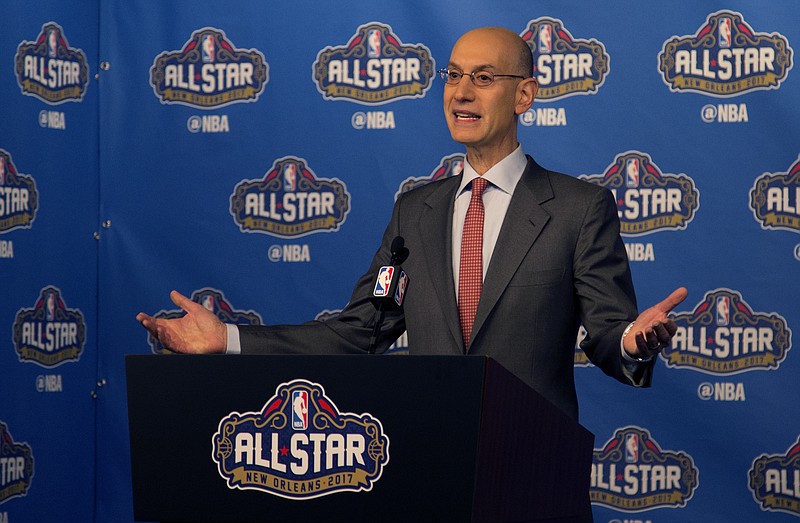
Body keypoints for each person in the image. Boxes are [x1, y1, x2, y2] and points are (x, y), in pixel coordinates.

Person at [137, 27, 687, 420]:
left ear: (524, 94)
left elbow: (612, 335)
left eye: (483, 77)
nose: (461, 91)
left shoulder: (578, 208)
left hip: (531, 472)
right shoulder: (414, 212)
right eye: (452, 76)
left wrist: (634, 343)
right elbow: (359, 332)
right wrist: (228, 339)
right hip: (430, 470)